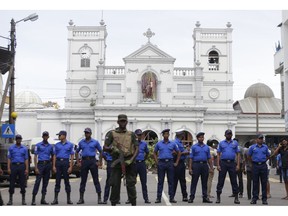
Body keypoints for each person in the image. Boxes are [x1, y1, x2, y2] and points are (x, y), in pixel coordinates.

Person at [103, 114, 139, 206]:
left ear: (127, 122)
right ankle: (114, 203)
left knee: (131, 184)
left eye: (124, 121)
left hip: (129, 161)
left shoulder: (131, 134)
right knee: (115, 184)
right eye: (121, 121)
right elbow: (105, 147)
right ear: (118, 122)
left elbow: (137, 148)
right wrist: (112, 149)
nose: (123, 122)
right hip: (117, 161)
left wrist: (131, 160)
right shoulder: (112, 133)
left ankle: (133, 203)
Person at [76, 127, 104, 204]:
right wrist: (78, 162)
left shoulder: (95, 142)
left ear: (91, 134)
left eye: (88, 133)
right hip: (84, 161)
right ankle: (81, 198)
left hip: (92, 161)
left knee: (96, 180)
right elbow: (77, 151)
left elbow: (101, 151)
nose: (86, 134)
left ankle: (99, 198)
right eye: (85, 133)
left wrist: (100, 161)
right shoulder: (81, 142)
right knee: (83, 180)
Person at [153, 129, 181, 203]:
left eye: (167, 134)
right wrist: (157, 162)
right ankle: (158, 198)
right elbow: (154, 153)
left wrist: (176, 162)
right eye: (165, 134)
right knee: (160, 181)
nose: (166, 135)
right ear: (162, 135)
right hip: (161, 163)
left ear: (169, 135)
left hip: (170, 163)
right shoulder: (159, 144)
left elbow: (179, 152)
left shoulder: (172, 144)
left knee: (171, 181)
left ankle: (171, 197)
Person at [215, 129, 240, 204]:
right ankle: (218, 197)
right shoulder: (221, 143)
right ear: (225, 135)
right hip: (223, 163)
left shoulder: (235, 143)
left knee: (234, 181)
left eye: (230, 134)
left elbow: (238, 154)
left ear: (232, 135)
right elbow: (218, 154)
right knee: (221, 180)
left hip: (232, 163)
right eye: (227, 134)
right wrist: (218, 164)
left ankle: (236, 197)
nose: (229, 135)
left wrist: (238, 164)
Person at [126, 129, 150, 204]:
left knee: (144, 182)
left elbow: (147, 152)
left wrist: (143, 159)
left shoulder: (144, 144)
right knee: (131, 182)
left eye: (140, 135)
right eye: (137, 135)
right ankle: (130, 198)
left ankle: (146, 199)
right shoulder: (131, 144)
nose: (139, 136)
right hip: (133, 164)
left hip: (141, 164)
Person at [188, 132, 213, 203]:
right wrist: (190, 168)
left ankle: (205, 197)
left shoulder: (206, 147)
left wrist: (211, 168)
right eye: (200, 137)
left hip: (204, 165)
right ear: (197, 138)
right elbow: (191, 158)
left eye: (202, 137)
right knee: (194, 182)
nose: (201, 138)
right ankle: (191, 197)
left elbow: (209, 158)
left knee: (204, 182)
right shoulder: (194, 147)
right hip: (196, 165)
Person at [51, 130, 75, 205]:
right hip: (58, 163)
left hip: (65, 163)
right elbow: (54, 155)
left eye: (60, 135)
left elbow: (72, 156)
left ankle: (69, 199)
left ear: (64, 136)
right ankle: (55, 199)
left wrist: (70, 167)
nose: (59, 136)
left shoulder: (70, 145)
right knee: (57, 181)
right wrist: (54, 166)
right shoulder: (57, 145)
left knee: (67, 181)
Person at [31, 131, 54, 205]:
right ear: (42, 137)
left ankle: (43, 199)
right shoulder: (38, 145)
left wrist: (52, 164)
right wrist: (36, 167)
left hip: (47, 165)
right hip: (40, 165)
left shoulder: (50, 146)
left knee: (45, 182)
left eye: (46, 136)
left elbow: (53, 156)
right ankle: (33, 199)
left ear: (48, 137)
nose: (45, 137)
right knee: (37, 182)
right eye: (44, 136)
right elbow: (35, 156)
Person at [248, 134, 270, 205]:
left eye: (262, 138)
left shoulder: (265, 147)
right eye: (259, 138)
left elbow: (268, 156)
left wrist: (263, 160)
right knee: (255, 183)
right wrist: (252, 163)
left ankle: (264, 199)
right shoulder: (252, 147)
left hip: (263, 165)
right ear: (256, 139)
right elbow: (249, 156)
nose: (261, 140)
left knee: (264, 182)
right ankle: (254, 198)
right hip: (255, 166)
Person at [7, 134, 29, 205]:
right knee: (12, 183)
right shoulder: (11, 148)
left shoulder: (24, 148)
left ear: (21, 140)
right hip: (13, 166)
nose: (18, 140)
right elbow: (9, 158)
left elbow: (26, 159)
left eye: (20, 139)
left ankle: (23, 199)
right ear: (15, 140)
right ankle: (10, 200)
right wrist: (8, 168)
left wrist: (26, 169)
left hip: (21, 166)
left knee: (22, 183)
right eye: (17, 139)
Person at [173, 129, 189, 202]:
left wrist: (184, 151)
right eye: (182, 134)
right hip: (177, 162)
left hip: (182, 163)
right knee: (175, 181)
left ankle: (184, 196)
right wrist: (184, 153)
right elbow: (174, 152)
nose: (183, 136)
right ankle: (172, 196)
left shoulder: (180, 142)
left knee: (183, 181)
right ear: (180, 135)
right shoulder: (175, 142)